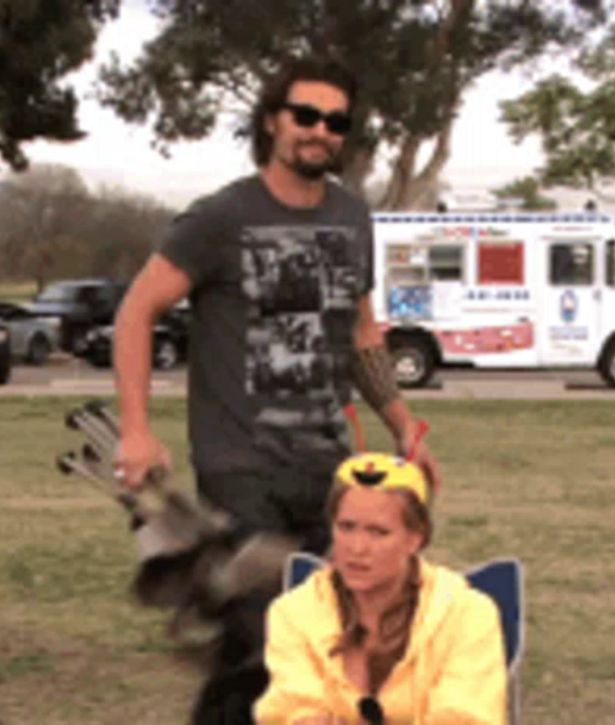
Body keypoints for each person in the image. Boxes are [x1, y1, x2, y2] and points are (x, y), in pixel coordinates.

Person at [113, 57, 441, 723]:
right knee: (262, 639)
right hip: (241, 464)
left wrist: (402, 421)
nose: (320, 131)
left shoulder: (352, 217)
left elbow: (361, 331)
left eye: (336, 121)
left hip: (326, 466)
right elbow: (136, 311)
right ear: (273, 121)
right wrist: (137, 427)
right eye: (306, 115)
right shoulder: (220, 218)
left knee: (329, 636)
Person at [255, 452, 507, 724]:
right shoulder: (293, 612)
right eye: (346, 527)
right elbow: (292, 708)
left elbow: (464, 716)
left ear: (416, 539)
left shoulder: (466, 614)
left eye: (378, 532)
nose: (357, 548)